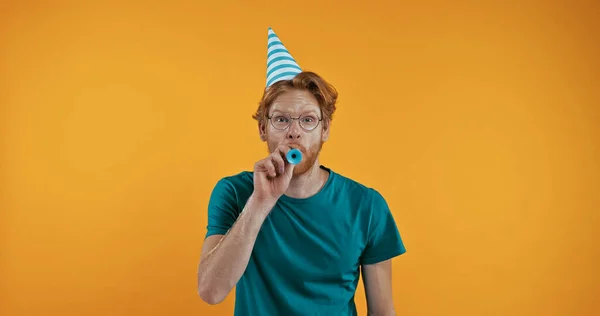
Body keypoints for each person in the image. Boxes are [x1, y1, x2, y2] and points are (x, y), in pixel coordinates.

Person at [197, 27, 406, 316]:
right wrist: (259, 203)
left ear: (325, 129)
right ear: (262, 128)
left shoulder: (367, 206)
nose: (294, 132)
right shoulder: (234, 193)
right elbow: (210, 291)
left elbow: (382, 312)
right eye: (281, 119)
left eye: (307, 120)